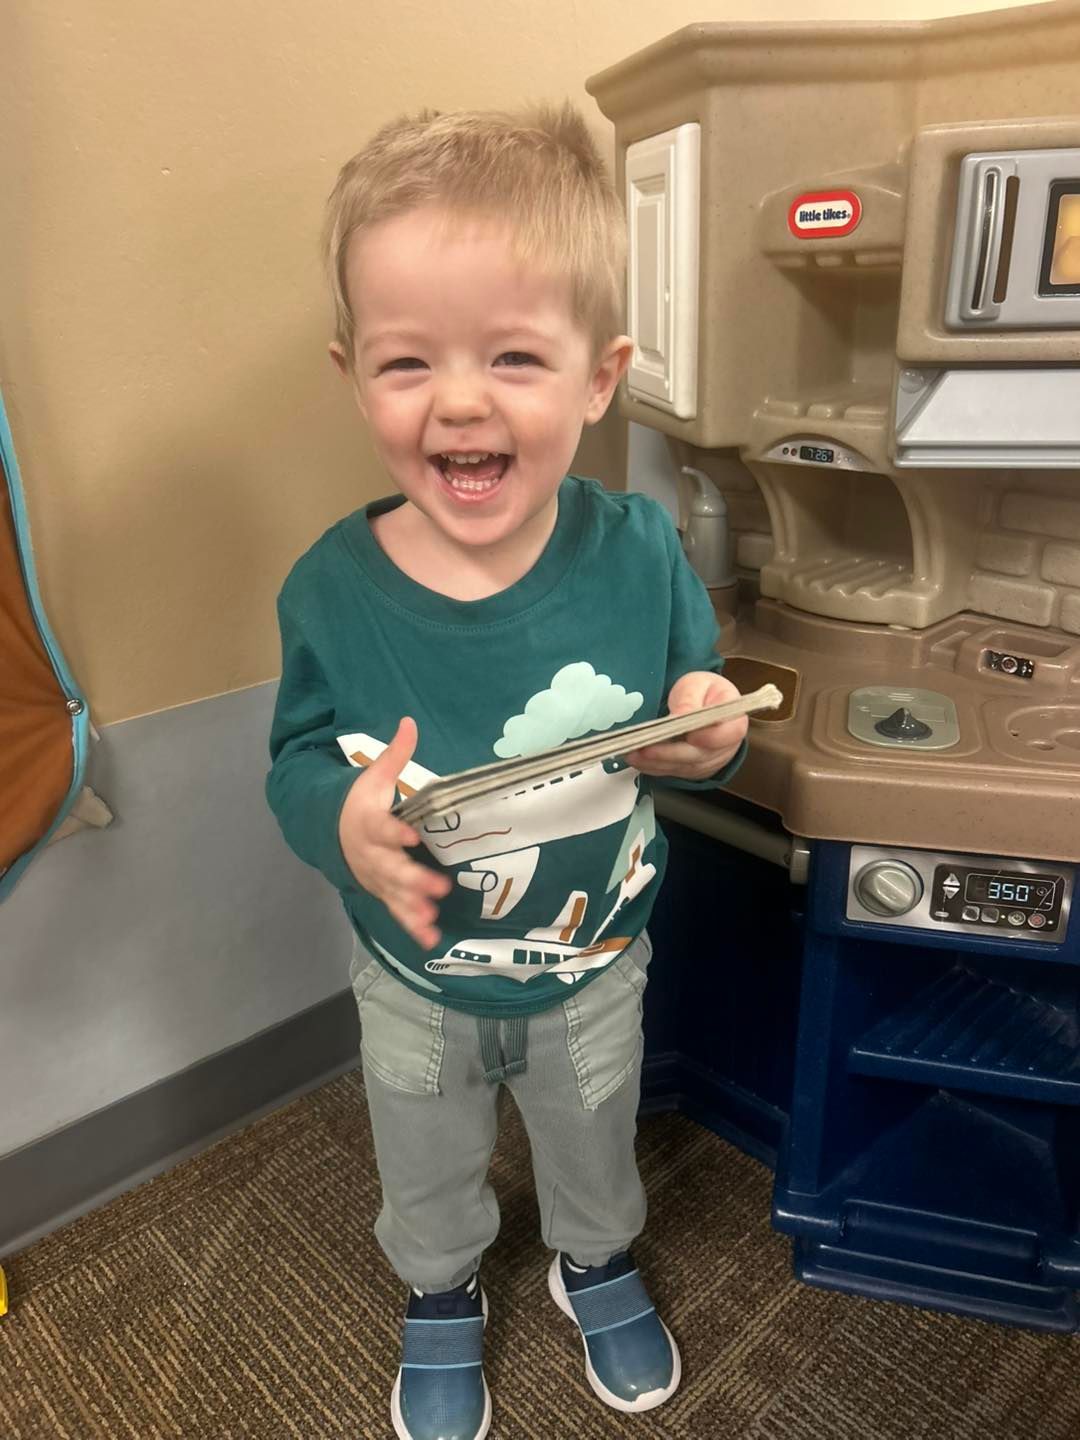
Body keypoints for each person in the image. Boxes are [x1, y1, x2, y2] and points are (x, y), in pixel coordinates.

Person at [266, 103, 748, 1440]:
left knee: (594, 1133)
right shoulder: (329, 590)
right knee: (422, 1151)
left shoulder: (641, 549)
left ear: (603, 377)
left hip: (595, 959)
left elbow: (692, 707)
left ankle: (593, 1259)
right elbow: (299, 760)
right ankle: (436, 1292)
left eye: (516, 356)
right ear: (353, 369)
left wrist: (712, 728)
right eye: (409, 361)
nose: (461, 399)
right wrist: (339, 820)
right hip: (415, 972)